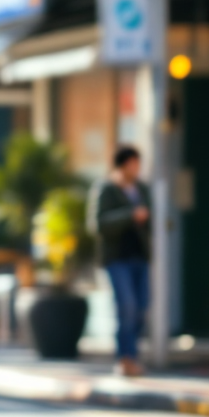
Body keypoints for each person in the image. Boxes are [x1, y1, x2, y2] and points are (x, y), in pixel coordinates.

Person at [89, 145, 151, 377]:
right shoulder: (106, 189)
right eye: (133, 163)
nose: (137, 168)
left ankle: (132, 355)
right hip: (117, 259)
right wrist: (130, 215)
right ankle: (125, 358)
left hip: (140, 257)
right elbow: (98, 224)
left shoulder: (142, 189)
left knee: (142, 307)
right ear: (123, 165)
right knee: (127, 306)